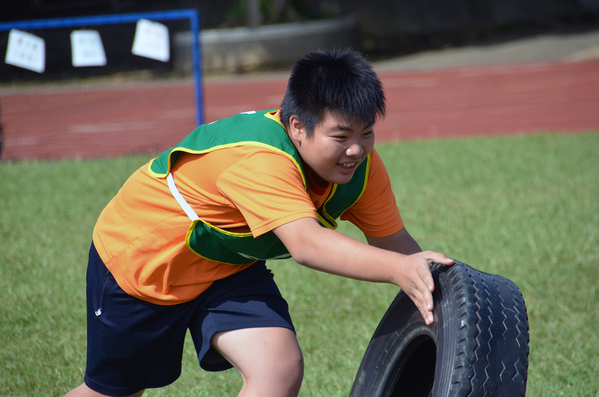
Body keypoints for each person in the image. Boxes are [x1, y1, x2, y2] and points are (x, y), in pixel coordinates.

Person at [64, 48, 453, 397]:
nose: (356, 149)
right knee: (115, 393)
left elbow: (394, 241)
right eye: (341, 136)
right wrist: (400, 270)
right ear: (298, 127)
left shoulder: (361, 170)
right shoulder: (260, 158)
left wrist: (448, 294)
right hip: (143, 263)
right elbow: (307, 245)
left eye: (366, 133)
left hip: (227, 265)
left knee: (278, 369)